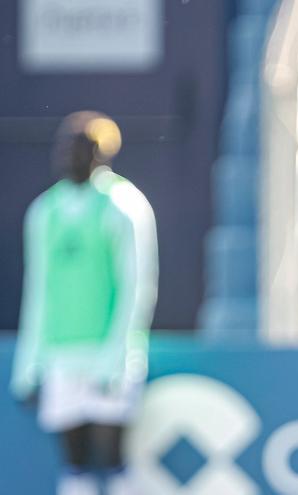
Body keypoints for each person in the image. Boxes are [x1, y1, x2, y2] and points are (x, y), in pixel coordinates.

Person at [10, 111, 158, 495]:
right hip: (61, 356)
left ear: (99, 154)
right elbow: (38, 289)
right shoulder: (45, 212)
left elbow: (136, 288)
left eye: (77, 148)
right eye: (62, 147)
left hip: (108, 359)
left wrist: (117, 357)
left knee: (114, 461)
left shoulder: (122, 206)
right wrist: (29, 364)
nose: (65, 156)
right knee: (74, 467)